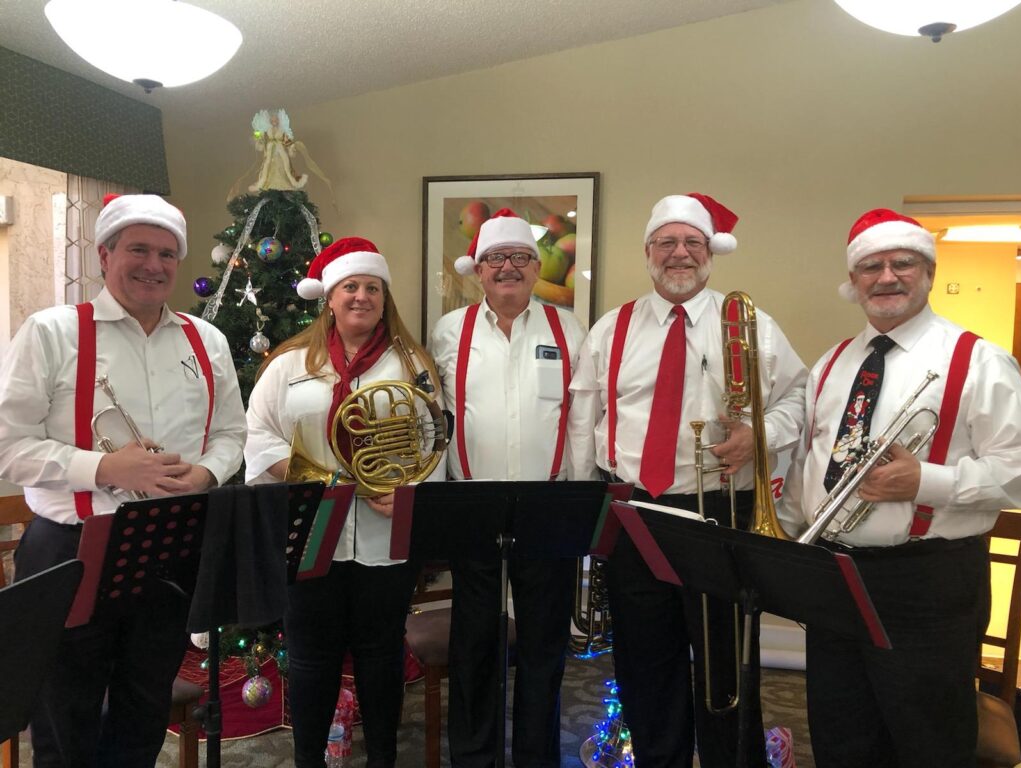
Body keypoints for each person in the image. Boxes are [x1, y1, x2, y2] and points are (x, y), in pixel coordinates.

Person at [0, 193, 247, 767]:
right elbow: (9, 447)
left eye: (166, 253)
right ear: (104, 255)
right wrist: (104, 467)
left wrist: (206, 472)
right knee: (64, 717)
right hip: (71, 550)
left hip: (165, 547)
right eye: (138, 249)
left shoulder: (206, 341)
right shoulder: (50, 332)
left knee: (144, 710)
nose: (153, 265)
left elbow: (233, 434)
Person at [567, 193, 807, 768]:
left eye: (692, 243)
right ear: (648, 252)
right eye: (666, 243)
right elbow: (585, 420)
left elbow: (799, 396)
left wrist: (760, 433)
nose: (680, 254)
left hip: (718, 510)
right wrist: (586, 510)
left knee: (724, 664)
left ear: (711, 253)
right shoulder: (612, 327)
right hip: (634, 511)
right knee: (644, 663)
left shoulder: (749, 323)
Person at [779, 208, 1021, 768]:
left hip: (928, 582)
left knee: (928, 739)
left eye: (902, 263)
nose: (886, 277)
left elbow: (1019, 469)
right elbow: (814, 459)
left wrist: (928, 481)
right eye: (871, 266)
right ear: (853, 281)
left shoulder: (980, 360)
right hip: (835, 575)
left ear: (928, 272)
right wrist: (793, 535)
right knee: (841, 731)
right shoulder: (834, 362)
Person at [245, 236, 445, 768]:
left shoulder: (413, 363)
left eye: (372, 288)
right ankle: (309, 758)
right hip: (311, 526)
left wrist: (409, 490)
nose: (361, 296)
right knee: (311, 657)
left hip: (383, 530)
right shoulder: (290, 361)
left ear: (385, 298)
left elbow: (435, 438)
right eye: (350, 287)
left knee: (381, 654)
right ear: (329, 298)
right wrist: (301, 477)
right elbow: (256, 430)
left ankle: (382, 757)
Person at [430, 208, 587, 768]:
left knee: (544, 644)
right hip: (474, 502)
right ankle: (474, 755)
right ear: (478, 270)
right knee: (474, 641)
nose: (508, 268)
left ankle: (536, 756)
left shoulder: (568, 328)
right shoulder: (450, 332)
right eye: (496, 258)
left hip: (549, 503)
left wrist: (582, 498)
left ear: (534, 265)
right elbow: (437, 420)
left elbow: (580, 418)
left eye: (520, 257)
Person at [249, 108, 308, 193]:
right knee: (268, 169)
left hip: (280, 154)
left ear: (279, 120)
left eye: (276, 120)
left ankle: (283, 184)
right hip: (269, 155)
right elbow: (260, 140)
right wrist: (258, 138)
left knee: (283, 168)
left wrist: (291, 148)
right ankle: (268, 185)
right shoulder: (266, 131)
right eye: (272, 120)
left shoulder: (282, 131)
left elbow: (287, 142)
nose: (274, 122)